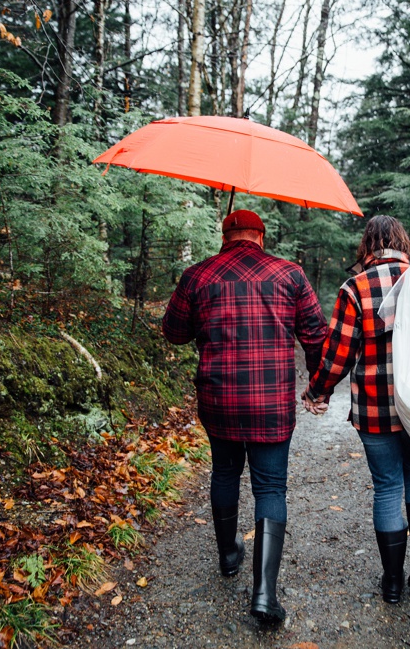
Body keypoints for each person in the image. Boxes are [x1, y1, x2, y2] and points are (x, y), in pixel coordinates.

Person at [162, 208, 328, 623]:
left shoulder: (198, 275)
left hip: (218, 400)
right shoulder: (289, 275)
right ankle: (264, 594)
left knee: (224, 473)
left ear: (225, 236)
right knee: (271, 488)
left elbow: (174, 333)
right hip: (271, 403)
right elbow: (316, 337)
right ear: (261, 236)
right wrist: (317, 386)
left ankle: (228, 554)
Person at [301, 215, 410, 604]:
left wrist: (317, 392)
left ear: (368, 246)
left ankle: (392, 583)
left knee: (388, 485)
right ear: (402, 241)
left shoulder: (355, 288)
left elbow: (338, 355)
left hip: (376, 407)